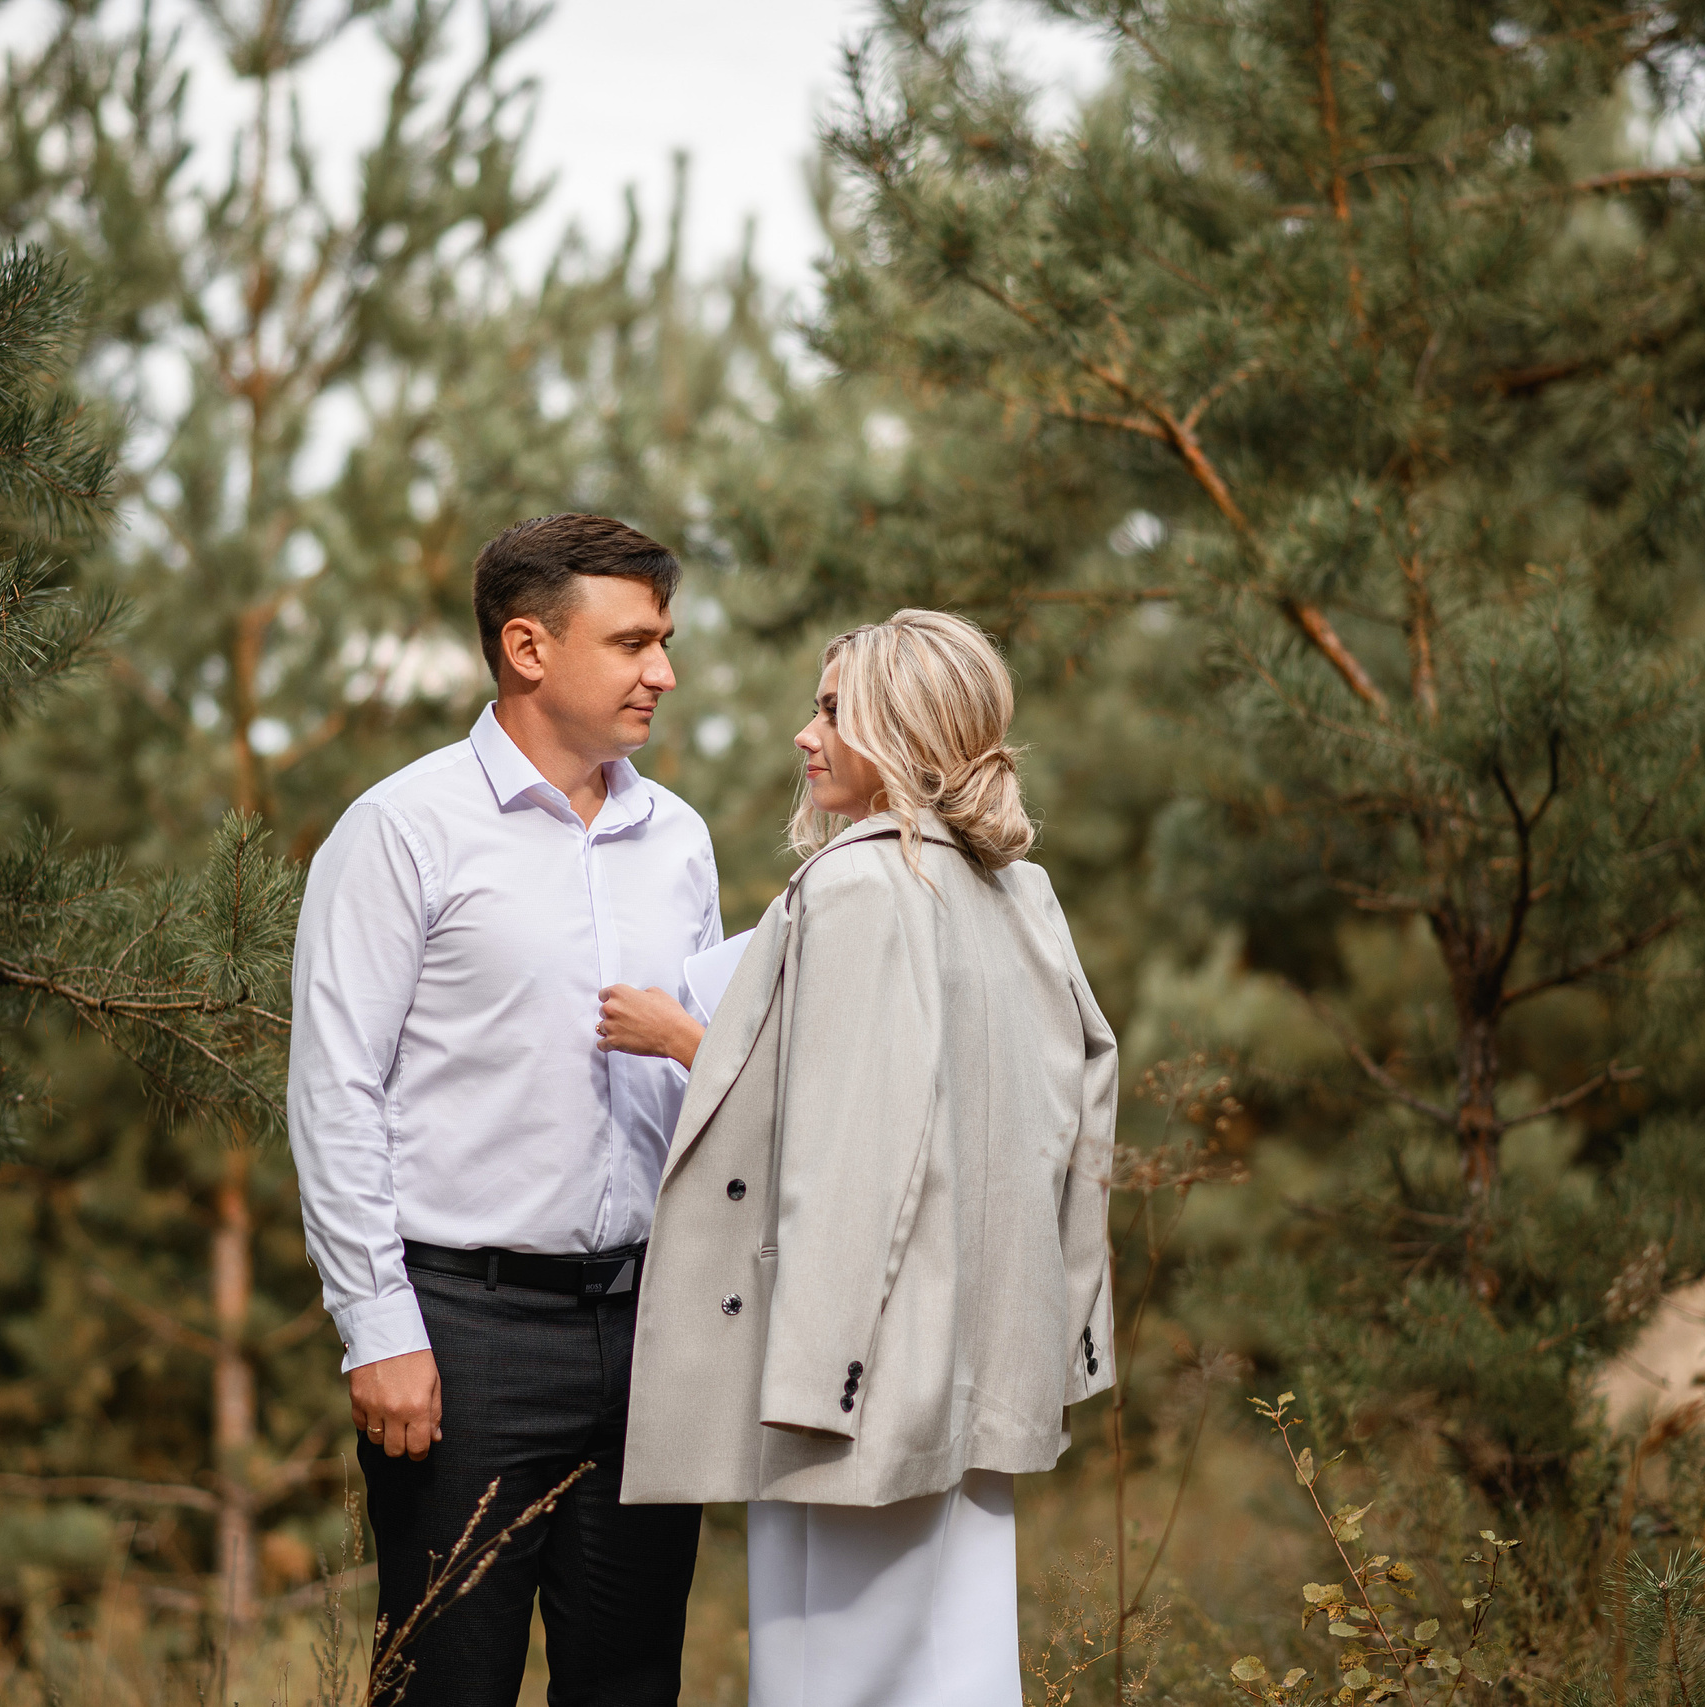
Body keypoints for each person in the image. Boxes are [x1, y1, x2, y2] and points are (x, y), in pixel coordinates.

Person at [598, 609, 1119, 1707]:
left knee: (835, 1678)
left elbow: (851, 1152)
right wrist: (1066, 1330)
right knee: (958, 1672)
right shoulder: (1018, 891)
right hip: (974, 1361)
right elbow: (1074, 1120)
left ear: (902, 724)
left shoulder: (857, 884)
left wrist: (809, 1381)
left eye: (832, 709)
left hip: (856, 1383)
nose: (805, 734)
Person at [286, 514, 719, 1706]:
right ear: (527, 648)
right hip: (462, 1343)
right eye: (633, 643)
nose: (663, 673)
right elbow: (335, 1090)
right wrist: (378, 1326)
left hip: (648, 1331)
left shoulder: (678, 841)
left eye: (664, 641)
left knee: (631, 1686)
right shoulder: (399, 831)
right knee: (446, 1686)